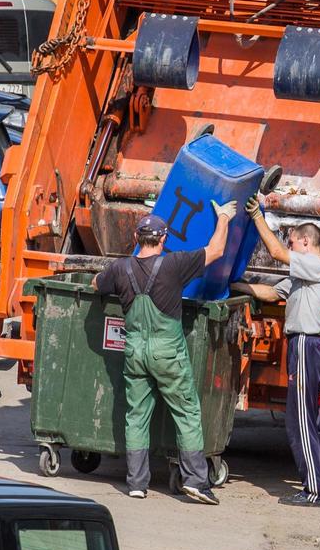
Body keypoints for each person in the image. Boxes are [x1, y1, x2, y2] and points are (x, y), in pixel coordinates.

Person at [94, 204, 236, 503]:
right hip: (167, 352)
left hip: (134, 351)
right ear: (163, 239)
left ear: (136, 236)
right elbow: (216, 250)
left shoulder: (120, 268)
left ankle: (136, 483)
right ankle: (196, 480)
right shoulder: (174, 265)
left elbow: (97, 284)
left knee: (136, 416)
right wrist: (223, 216)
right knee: (186, 413)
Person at [232, 198, 320, 507]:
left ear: (306, 242)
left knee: (300, 422)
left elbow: (276, 252)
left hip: (307, 344)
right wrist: (234, 285)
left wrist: (255, 217)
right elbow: (270, 292)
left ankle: (314, 491)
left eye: (293, 242)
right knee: (308, 421)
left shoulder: (318, 266)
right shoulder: (303, 277)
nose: (289, 247)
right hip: (304, 347)